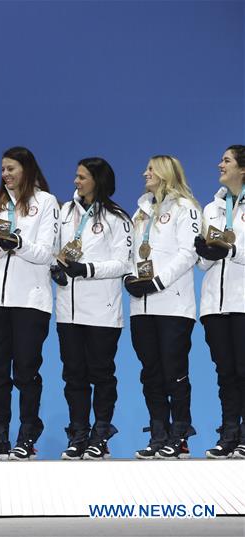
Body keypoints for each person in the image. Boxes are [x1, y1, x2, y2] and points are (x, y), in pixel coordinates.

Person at [0, 147, 59, 461]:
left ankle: (26, 435)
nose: (6, 175)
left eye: (11, 169)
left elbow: (46, 252)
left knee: (26, 371)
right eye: (3, 170)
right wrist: (1, 245)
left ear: (26, 169)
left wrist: (19, 243)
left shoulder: (46, 202)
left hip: (30, 302)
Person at [51, 158, 132, 460]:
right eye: (75, 176)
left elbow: (123, 263)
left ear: (97, 180)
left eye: (82, 177)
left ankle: (100, 435)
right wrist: (54, 267)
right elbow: (52, 248)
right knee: (73, 375)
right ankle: (78, 434)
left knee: (101, 374)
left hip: (102, 311)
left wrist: (85, 269)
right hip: (67, 311)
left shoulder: (117, 217)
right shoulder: (64, 212)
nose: (75, 181)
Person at [124, 155, 201, 459]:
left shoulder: (186, 208)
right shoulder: (140, 212)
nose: (145, 173)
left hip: (173, 305)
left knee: (174, 372)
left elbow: (188, 253)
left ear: (166, 173)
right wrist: (131, 276)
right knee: (150, 373)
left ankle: (180, 435)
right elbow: (132, 251)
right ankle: (158, 433)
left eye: (151, 169)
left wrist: (157, 282)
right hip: (141, 307)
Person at [195, 145, 245, 459]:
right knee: (225, 372)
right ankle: (229, 433)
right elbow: (204, 264)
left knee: (244, 370)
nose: (219, 164)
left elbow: (234, 251)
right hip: (214, 304)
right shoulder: (213, 207)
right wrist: (205, 251)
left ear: (242, 168)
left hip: (243, 302)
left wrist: (231, 251)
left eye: (226, 160)